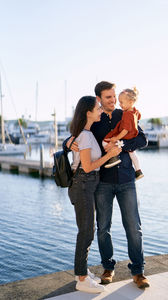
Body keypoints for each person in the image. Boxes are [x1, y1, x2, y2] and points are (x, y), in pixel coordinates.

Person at [63, 81, 150, 289]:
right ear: (99, 99)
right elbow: (78, 133)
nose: (113, 101)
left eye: (114, 96)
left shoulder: (125, 114)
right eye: (108, 97)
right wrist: (66, 142)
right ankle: (108, 267)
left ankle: (138, 271)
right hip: (102, 182)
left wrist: (121, 146)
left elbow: (143, 140)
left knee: (134, 227)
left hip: (127, 179)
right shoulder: (96, 119)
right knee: (103, 228)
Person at [67, 95, 121, 294]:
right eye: (98, 108)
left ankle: (81, 272)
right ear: (88, 113)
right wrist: (109, 155)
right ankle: (81, 279)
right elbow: (88, 167)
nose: (100, 110)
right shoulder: (85, 135)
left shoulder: (84, 133)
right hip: (83, 185)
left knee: (86, 230)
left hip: (85, 185)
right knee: (86, 232)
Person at [102, 87, 144, 180]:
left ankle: (114, 158)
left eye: (121, 102)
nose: (119, 104)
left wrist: (116, 138)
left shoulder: (126, 114)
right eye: (108, 97)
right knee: (132, 153)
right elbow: (139, 116)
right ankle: (138, 170)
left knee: (105, 142)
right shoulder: (134, 111)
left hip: (125, 136)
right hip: (132, 136)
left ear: (130, 102)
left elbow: (125, 130)